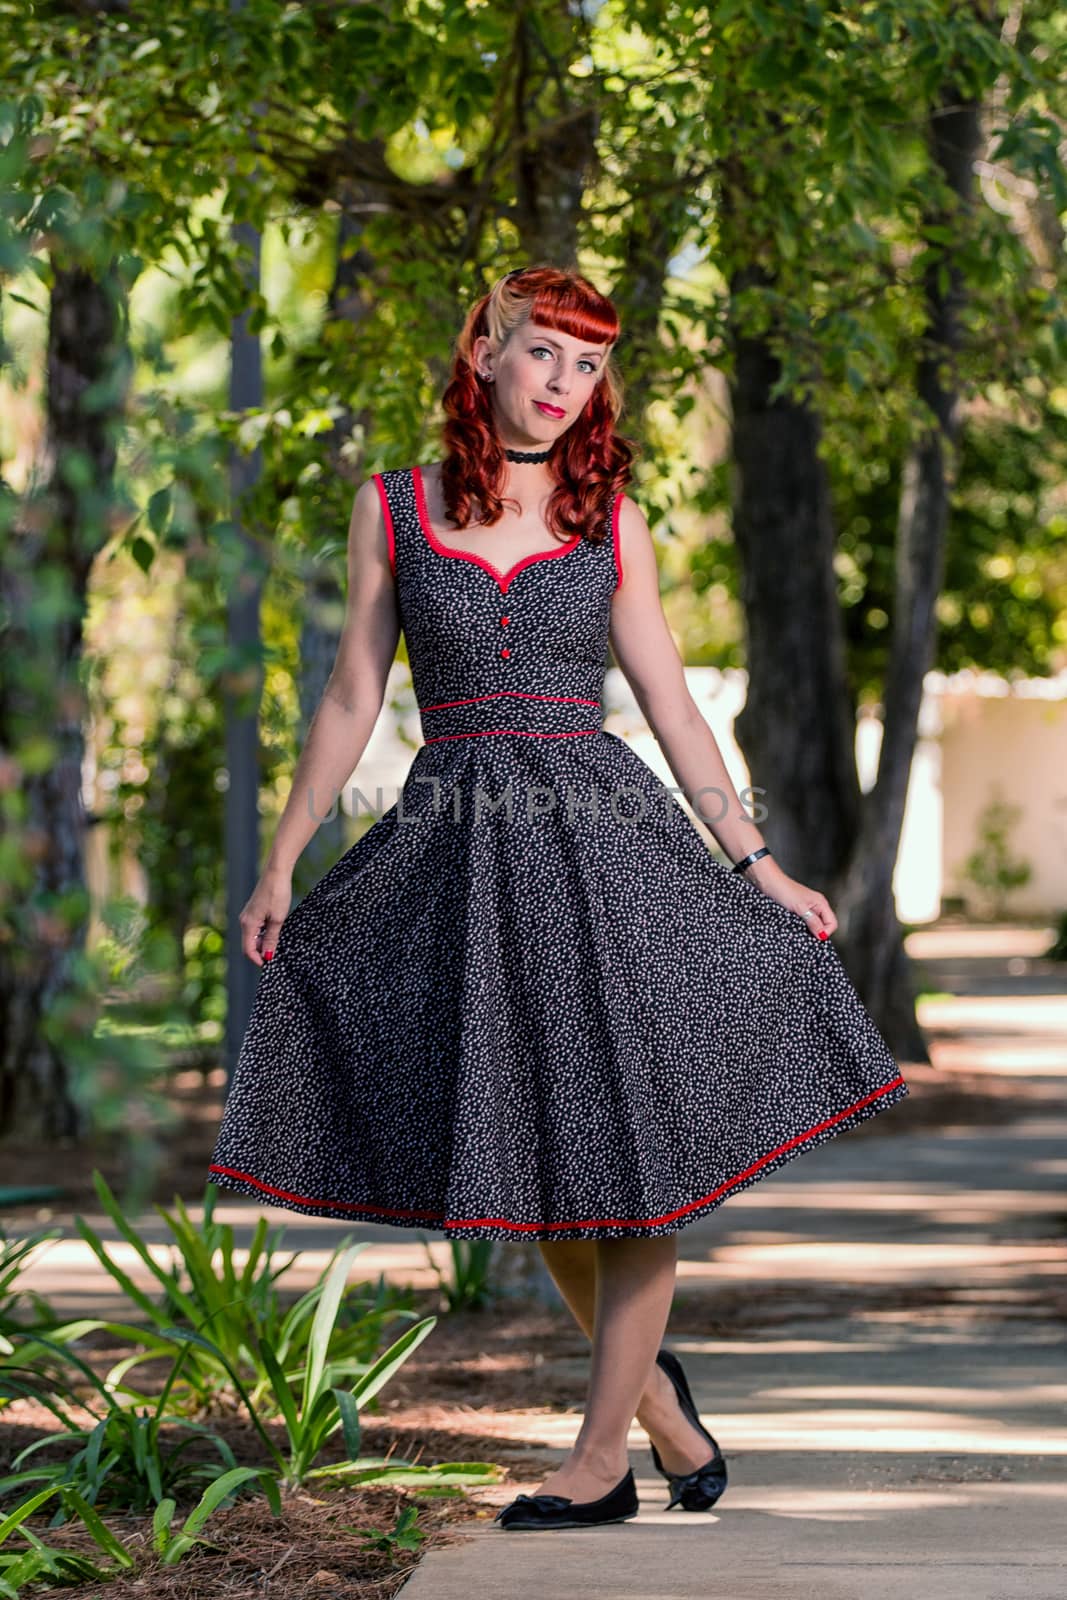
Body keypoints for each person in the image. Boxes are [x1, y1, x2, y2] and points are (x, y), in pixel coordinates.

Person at [208, 264, 909, 1532]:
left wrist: (757, 861)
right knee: (523, 1156)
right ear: (482, 350)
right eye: (541, 355)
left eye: (586, 368)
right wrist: (282, 858)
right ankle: (659, 1415)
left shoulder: (607, 515)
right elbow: (351, 696)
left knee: (627, 1159)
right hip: (459, 850)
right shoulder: (395, 507)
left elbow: (671, 705)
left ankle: (599, 1465)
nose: (560, 388)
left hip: (600, 849)